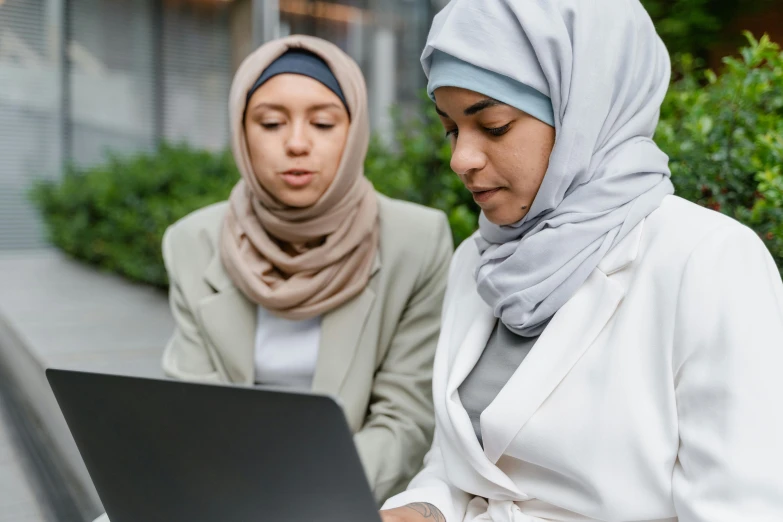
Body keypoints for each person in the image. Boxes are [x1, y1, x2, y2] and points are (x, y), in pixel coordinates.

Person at [379, 1, 783, 521]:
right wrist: (424, 506)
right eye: (452, 129)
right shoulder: (479, 259)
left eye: (495, 126)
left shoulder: (708, 262)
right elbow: (462, 461)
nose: (461, 159)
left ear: (583, 111)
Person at [94, 35, 452, 522]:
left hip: (349, 495)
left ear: (355, 131)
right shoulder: (192, 241)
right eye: (271, 122)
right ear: (241, 132)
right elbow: (192, 407)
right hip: (218, 489)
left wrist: (286, 498)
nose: (297, 143)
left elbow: (404, 424)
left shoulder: (417, 239)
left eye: (323, 122)